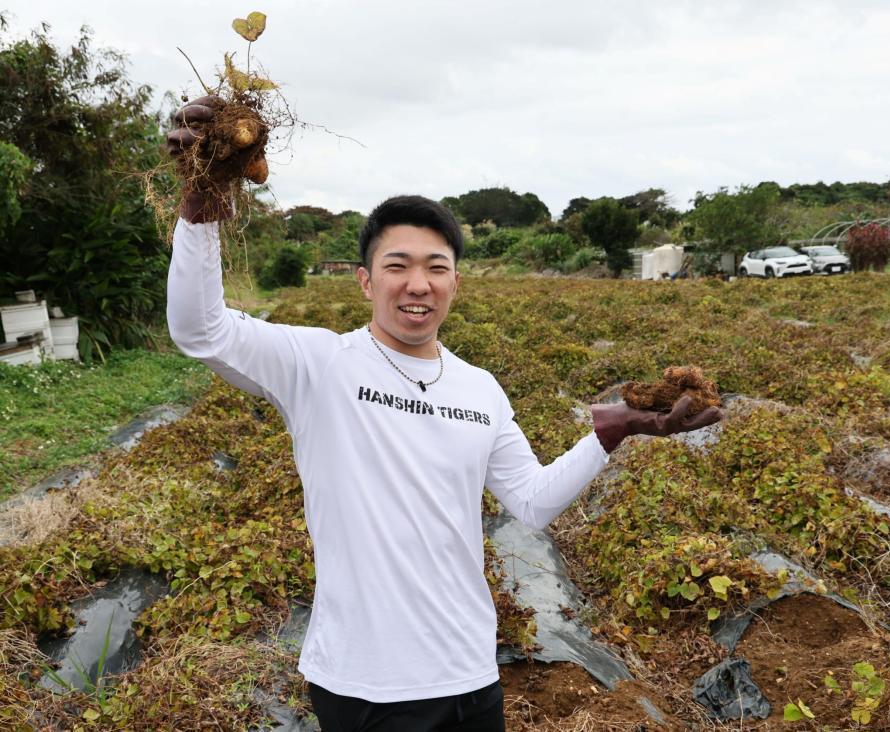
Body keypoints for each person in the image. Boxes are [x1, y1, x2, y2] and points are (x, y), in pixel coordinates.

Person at [166, 98, 721, 731]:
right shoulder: (318, 364)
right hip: (365, 685)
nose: (418, 283)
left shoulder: (480, 389)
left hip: (471, 677)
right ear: (365, 281)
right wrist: (201, 207)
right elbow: (199, 329)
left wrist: (611, 433)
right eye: (397, 266)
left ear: (456, 282)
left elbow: (533, 503)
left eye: (437, 267)